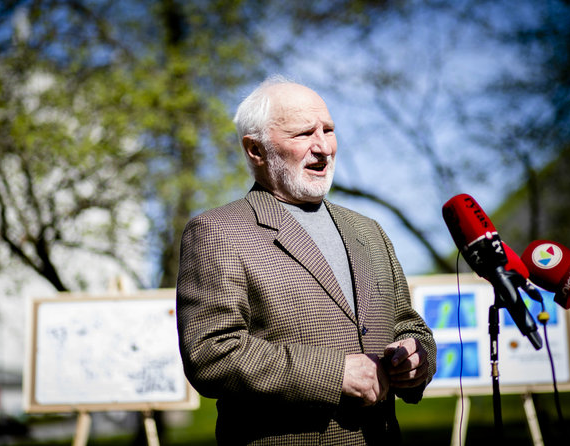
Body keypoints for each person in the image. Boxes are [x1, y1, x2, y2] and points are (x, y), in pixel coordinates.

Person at [176, 75, 436, 445]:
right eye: (303, 134)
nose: (323, 147)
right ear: (256, 150)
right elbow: (211, 353)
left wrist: (416, 358)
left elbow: (408, 325)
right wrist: (334, 375)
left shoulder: (368, 230)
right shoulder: (218, 231)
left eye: (328, 130)